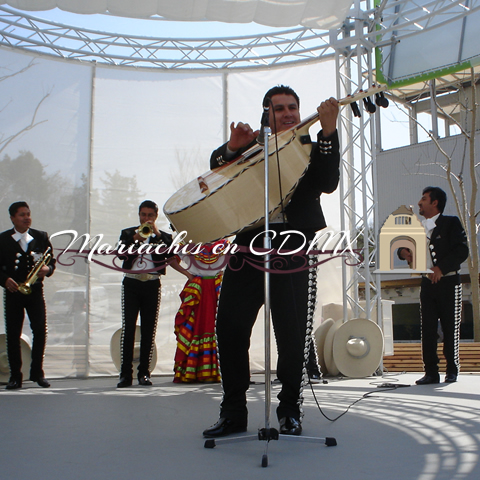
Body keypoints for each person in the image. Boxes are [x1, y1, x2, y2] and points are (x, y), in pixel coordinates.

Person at [203, 85, 340, 437]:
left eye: (292, 107)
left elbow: (328, 181)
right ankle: (233, 412)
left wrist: (328, 131)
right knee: (230, 328)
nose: (288, 113)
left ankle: (290, 411)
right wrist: (233, 145)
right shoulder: (250, 148)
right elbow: (216, 170)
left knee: (292, 336)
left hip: (293, 245)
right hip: (249, 245)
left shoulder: (311, 146)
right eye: (279, 108)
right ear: (267, 113)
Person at [116, 200, 191, 388]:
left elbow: (172, 252)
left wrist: (156, 234)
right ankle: (125, 374)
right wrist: (135, 239)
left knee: (149, 329)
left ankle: (144, 373)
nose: (146, 218)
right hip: (131, 283)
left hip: (152, 284)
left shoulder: (162, 236)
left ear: (155, 217)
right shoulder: (127, 234)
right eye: (143, 215)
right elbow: (120, 254)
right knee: (129, 329)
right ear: (139, 215)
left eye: (150, 215)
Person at [416, 187, 469, 385]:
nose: (420, 203)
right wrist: (404, 253)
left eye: (424, 199)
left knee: (450, 326)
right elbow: (406, 248)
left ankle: (452, 370)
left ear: (435, 202)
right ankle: (431, 372)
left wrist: (441, 268)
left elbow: (462, 250)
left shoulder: (450, 223)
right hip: (427, 283)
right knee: (427, 329)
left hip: (448, 282)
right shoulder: (418, 227)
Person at [0, 201, 56, 390]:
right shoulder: (3, 239)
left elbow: (52, 262)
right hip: (13, 292)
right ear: (13, 218)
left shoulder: (40, 237)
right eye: (22, 215)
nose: (27, 218)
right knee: (13, 334)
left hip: (35, 291)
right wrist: (5, 279)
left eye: (28, 214)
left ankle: (37, 373)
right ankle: (15, 375)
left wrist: (47, 269)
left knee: (40, 330)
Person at [173, 239, 228, 383]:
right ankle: (205, 370)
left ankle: (210, 370)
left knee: (217, 327)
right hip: (200, 290)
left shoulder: (224, 244)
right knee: (198, 326)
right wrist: (189, 275)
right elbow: (171, 259)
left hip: (215, 289)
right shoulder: (188, 245)